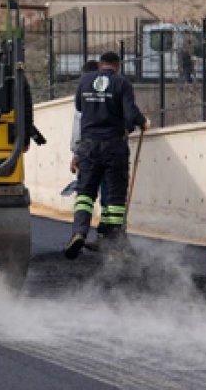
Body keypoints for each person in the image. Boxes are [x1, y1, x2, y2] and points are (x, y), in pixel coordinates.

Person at [65, 51, 147, 260]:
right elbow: (130, 114)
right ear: (117, 65)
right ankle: (112, 238)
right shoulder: (122, 83)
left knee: (85, 193)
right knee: (115, 195)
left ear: (101, 64)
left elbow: (79, 111)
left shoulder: (84, 82)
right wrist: (142, 122)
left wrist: (76, 150)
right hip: (113, 146)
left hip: (89, 146)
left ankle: (79, 232)